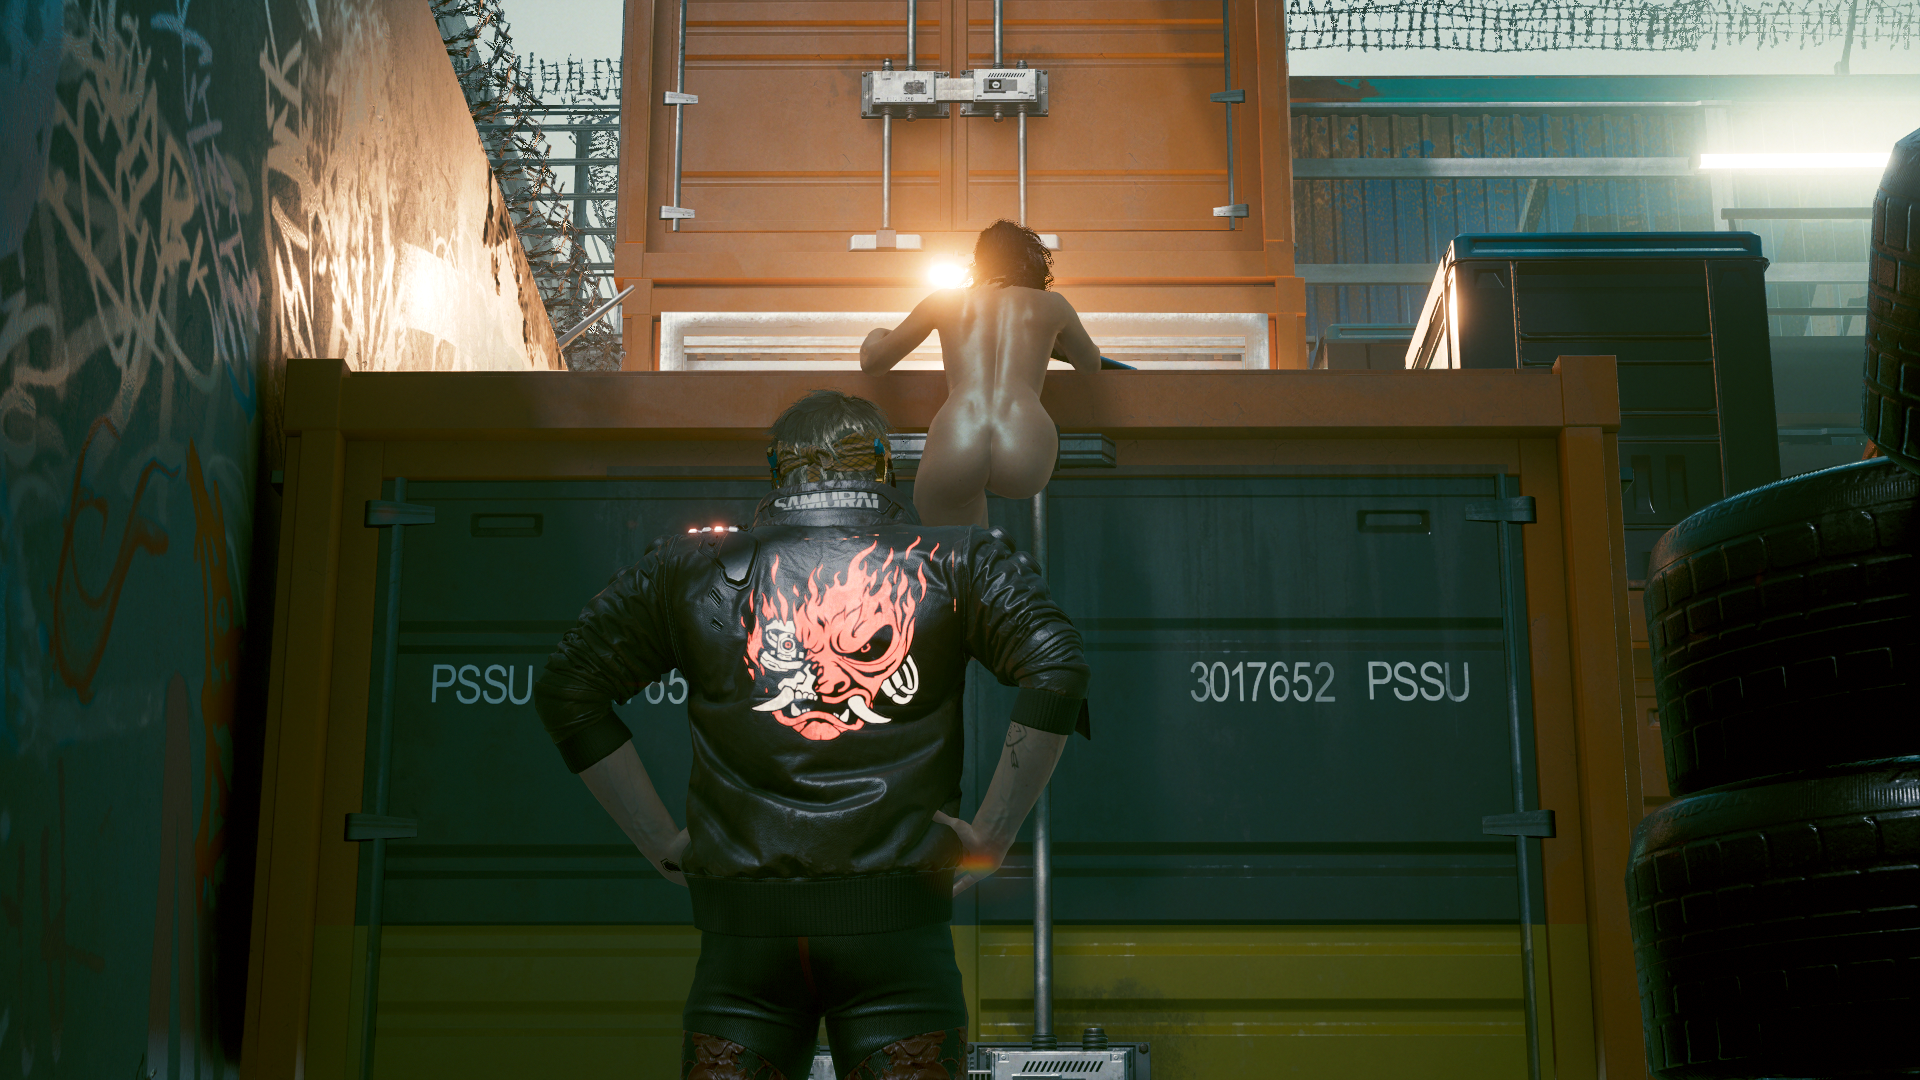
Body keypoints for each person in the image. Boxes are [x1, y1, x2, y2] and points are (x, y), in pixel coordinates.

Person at [533, 389, 1091, 1080]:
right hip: (898, 929)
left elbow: (568, 688)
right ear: (883, 465)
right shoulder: (954, 560)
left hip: (742, 935)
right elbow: (1057, 667)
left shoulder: (688, 568)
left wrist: (659, 841)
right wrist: (992, 837)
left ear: (778, 471)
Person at [859, 220, 1103, 527]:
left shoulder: (944, 300)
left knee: (947, 550)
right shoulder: (1054, 305)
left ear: (981, 260)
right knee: (980, 548)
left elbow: (873, 363)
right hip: (1027, 441)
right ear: (1030, 260)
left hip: (959, 433)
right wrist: (1055, 342)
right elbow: (1091, 364)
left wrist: (877, 333)